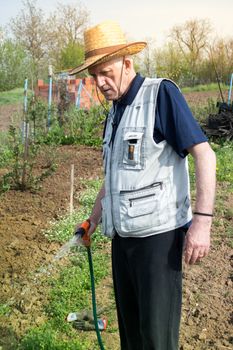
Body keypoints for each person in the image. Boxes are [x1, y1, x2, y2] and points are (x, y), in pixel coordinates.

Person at [71, 20, 216, 350]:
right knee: (131, 335)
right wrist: (91, 222)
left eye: (106, 72)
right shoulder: (114, 113)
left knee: (156, 337)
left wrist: (202, 225)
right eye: (94, 76)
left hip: (158, 240)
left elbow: (206, 156)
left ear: (127, 63)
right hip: (122, 240)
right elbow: (112, 180)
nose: (100, 83)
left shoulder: (160, 94)